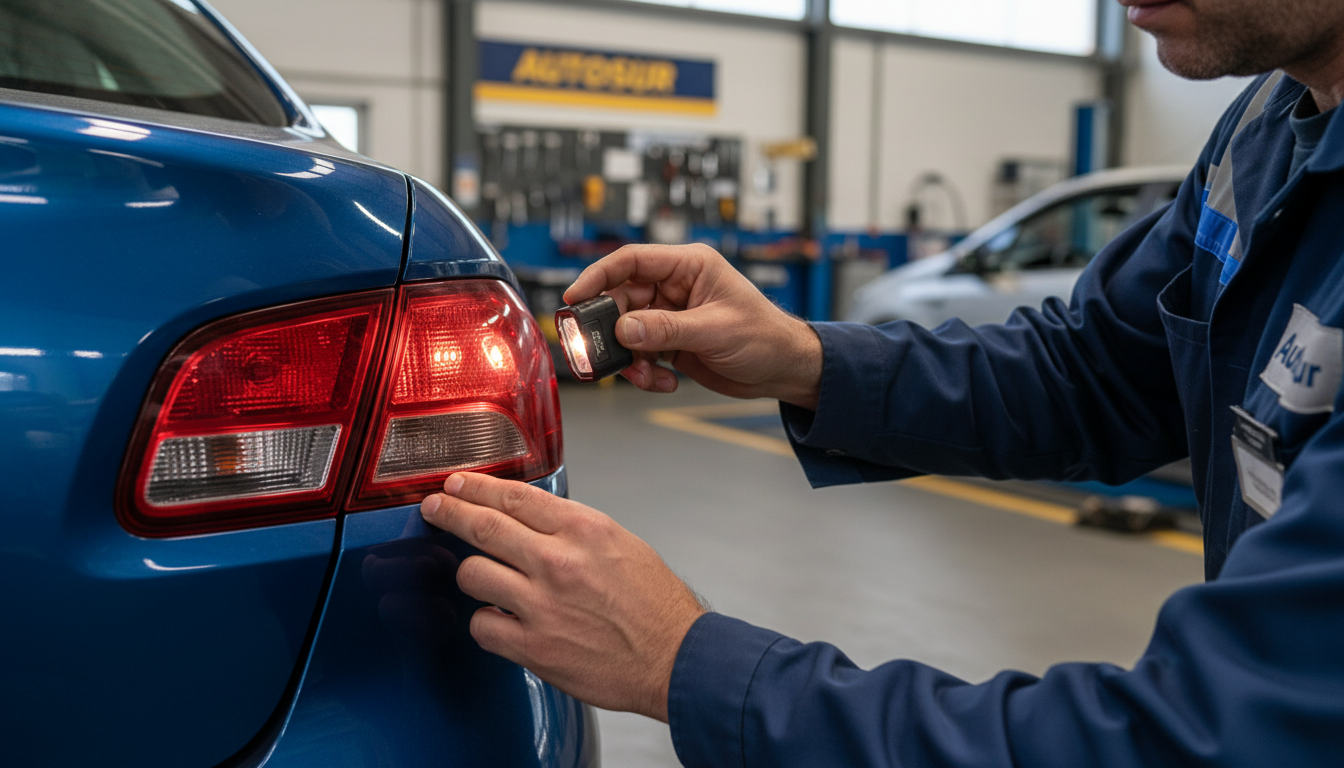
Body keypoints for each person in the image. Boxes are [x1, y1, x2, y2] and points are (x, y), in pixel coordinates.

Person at [417, 0, 1344, 764]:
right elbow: (1093, 370)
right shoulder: (1267, 126)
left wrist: (681, 660)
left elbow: (1198, 739)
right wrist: (803, 357)